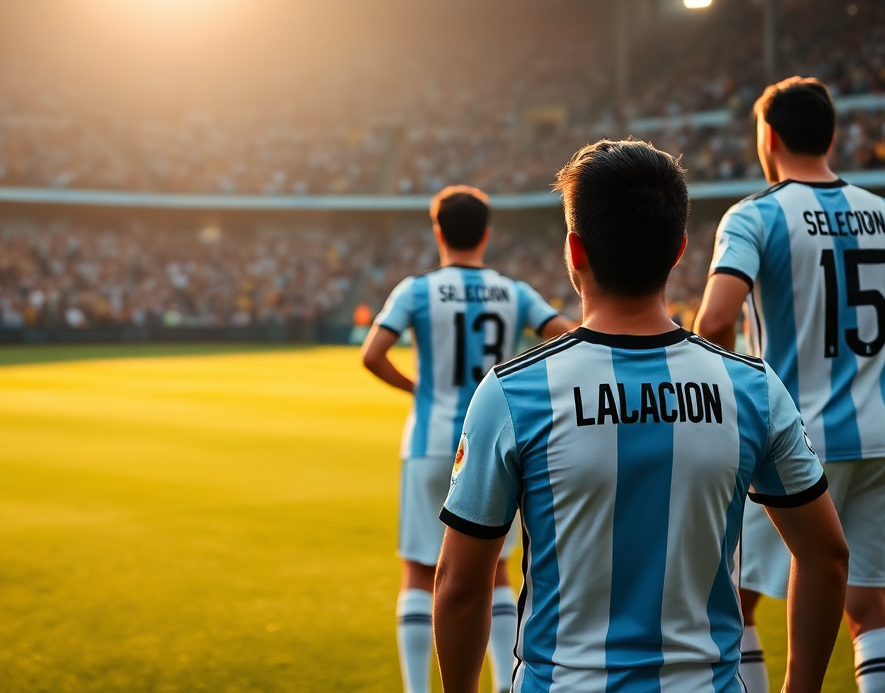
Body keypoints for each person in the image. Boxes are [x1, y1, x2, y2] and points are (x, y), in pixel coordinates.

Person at [433, 140, 849, 693]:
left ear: (574, 251)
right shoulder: (752, 387)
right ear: (679, 250)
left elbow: (460, 586)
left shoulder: (514, 391)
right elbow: (826, 555)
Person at [694, 77, 885, 693]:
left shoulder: (755, 214)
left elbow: (714, 319)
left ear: (769, 136)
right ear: (832, 134)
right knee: (868, 605)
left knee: (733, 600)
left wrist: (726, 416)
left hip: (790, 442)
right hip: (877, 436)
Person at [361, 185, 573, 693]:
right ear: (486, 234)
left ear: (438, 231)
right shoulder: (513, 291)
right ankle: (503, 683)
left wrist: (419, 388)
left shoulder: (416, 289)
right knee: (495, 569)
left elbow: (372, 354)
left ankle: (417, 688)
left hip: (431, 438)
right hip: (495, 441)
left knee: (418, 568)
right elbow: (569, 336)